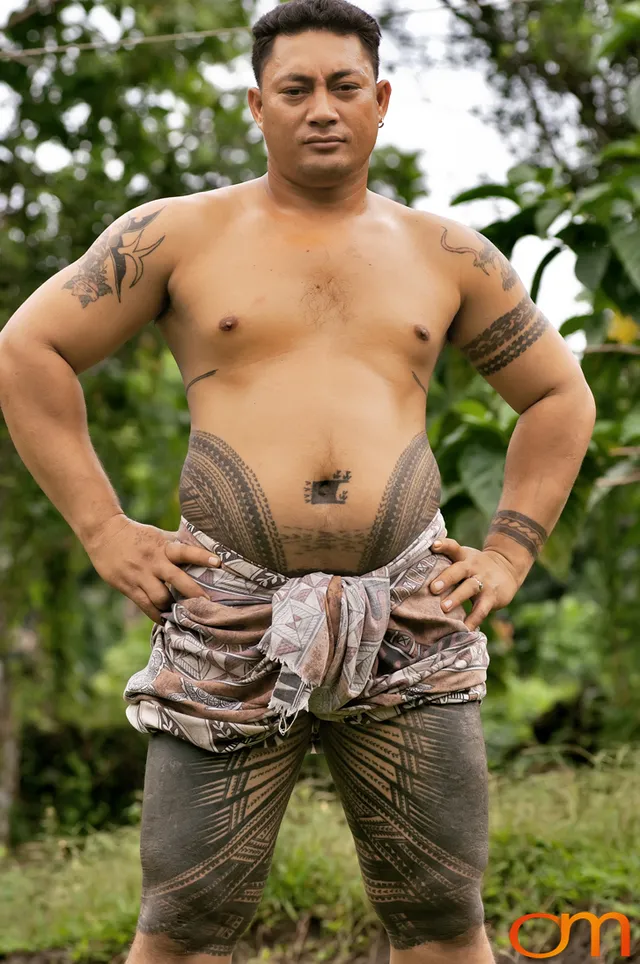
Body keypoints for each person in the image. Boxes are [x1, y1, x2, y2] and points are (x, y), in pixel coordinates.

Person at [0, 0, 596, 961]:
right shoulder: (176, 235)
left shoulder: (446, 254)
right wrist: (105, 530)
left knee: (445, 919)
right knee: (184, 926)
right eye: (297, 88)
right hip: (227, 616)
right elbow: (27, 350)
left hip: (410, 616)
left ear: (382, 99)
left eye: (344, 86)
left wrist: (508, 556)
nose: (322, 108)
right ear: (258, 104)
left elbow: (560, 400)